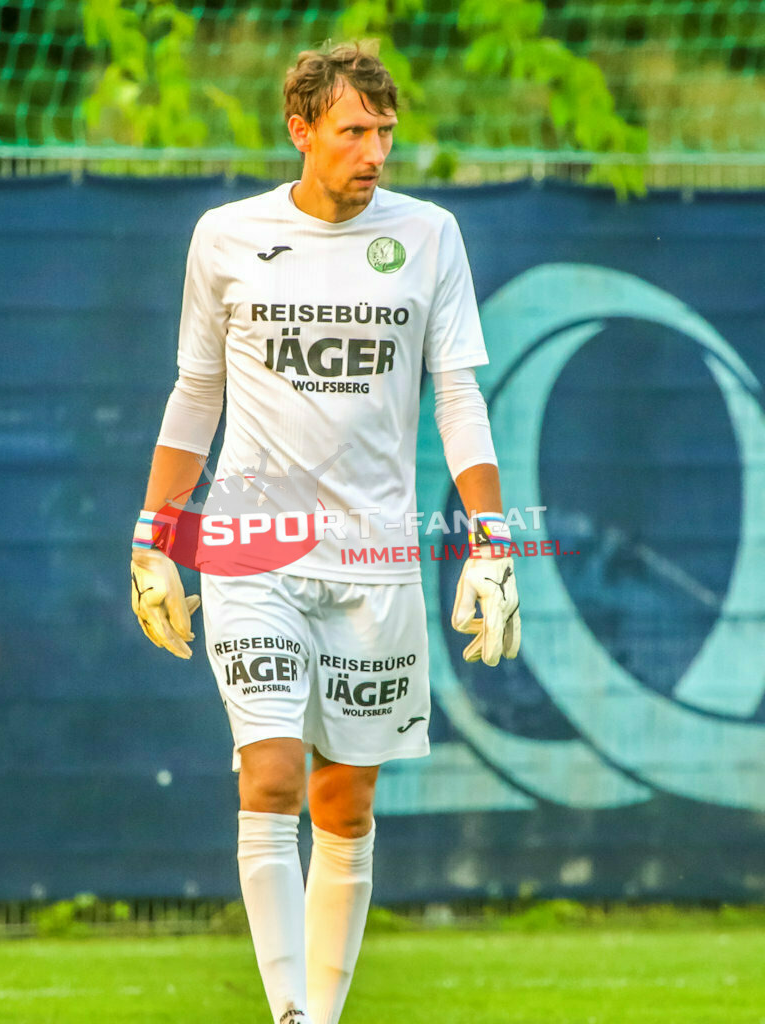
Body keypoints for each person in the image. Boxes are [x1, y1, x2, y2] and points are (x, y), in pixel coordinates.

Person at [131, 41, 520, 1024]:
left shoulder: (429, 236)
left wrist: (494, 541)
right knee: (269, 776)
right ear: (300, 128)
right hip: (252, 552)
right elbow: (196, 393)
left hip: (376, 562)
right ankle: (291, 1015)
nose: (375, 151)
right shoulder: (226, 235)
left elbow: (459, 396)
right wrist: (154, 539)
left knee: (345, 804)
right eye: (354, 130)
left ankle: (326, 1015)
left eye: (386, 131)